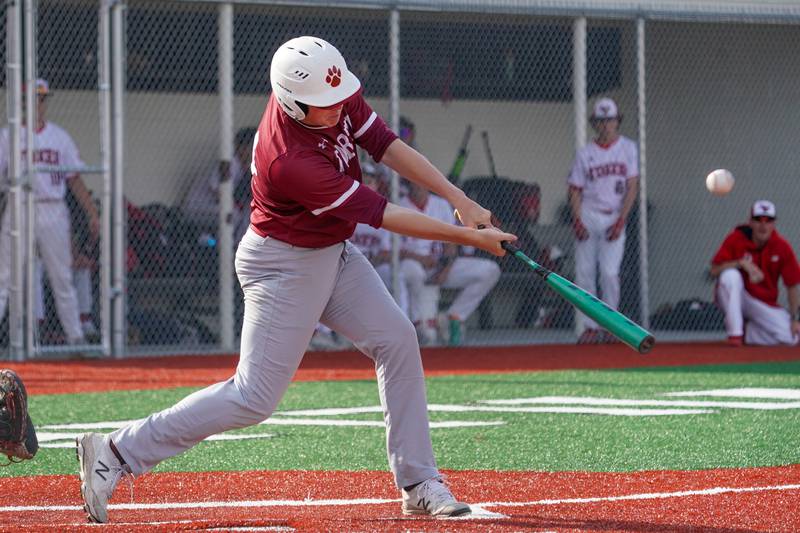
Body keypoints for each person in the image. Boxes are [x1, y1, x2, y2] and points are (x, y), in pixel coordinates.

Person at [76, 36, 515, 523]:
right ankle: (115, 452)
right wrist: (467, 237)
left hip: (331, 251)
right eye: (323, 107)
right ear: (290, 101)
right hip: (283, 265)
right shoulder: (289, 161)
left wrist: (462, 199)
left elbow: (385, 144)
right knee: (253, 397)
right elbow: (383, 214)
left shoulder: (329, 86)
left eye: (338, 99)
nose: (337, 109)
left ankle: (417, 480)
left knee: (397, 337)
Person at [0, 78, 99, 347]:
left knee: (62, 277)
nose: (40, 104)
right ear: (22, 102)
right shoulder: (8, 136)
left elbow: (75, 178)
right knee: (4, 276)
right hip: (19, 206)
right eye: (34, 98)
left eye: (43, 99)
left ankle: (76, 338)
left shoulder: (59, 137)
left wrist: (91, 211)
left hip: (52, 209)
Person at [567, 97, 639, 344]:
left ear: (618, 121)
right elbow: (575, 189)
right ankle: (590, 326)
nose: (606, 125)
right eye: (601, 120)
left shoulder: (628, 148)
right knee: (585, 273)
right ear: (594, 124)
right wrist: (577, 219)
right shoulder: (585, 153)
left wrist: (622, 220)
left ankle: (610, 324)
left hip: (613, 216)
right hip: (588, 213)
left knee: (609, 273)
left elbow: (632, 187)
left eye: (610, 120)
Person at [400, 179, 501, 345]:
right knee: (412, 273)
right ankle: (415, 322)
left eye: (421, 182)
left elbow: (451, 242)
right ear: (409, 184)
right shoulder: (400, 205)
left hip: (439, 266)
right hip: (412, 266)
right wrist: (420, 258)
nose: (419, 186)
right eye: (414, 182)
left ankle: (455, 316)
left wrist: (446, 269)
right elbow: (394, 250)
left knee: (490, 269)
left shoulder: (440, 205)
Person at [710, 200, 800, 346]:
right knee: (730, 276)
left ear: (774, 223)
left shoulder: (781, 246)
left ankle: (749, 333)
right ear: (750, 222)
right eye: (758, 220)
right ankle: (735, 334)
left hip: (762, 303)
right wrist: (740, 263)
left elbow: (792, 285)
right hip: (737, 297)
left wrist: (795, 319)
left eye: (768, 221)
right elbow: (714, 271)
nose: (763, 226)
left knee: (792, 337)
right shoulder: (736, 238)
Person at [350, 163, 409, 315]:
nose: (366, 185)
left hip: (374, 263)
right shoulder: (344, 208)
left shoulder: (382, 212)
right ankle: (323, 331)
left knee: (394, 274)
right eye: (362, 181)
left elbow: (388, 252)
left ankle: (403, 320)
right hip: (346, 263)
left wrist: (373, 259)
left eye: (370, 181)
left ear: (377, 185)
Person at [182, 126, 258, 241]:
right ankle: (227, 248)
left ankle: (240, 246)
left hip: (217, 207)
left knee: (250, 212)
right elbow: (217, 190)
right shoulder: (230, 163)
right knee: (234, 214)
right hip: (198, 206)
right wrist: (236, 204)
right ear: (241, 148)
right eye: (252, 147)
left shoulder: (247, 166)